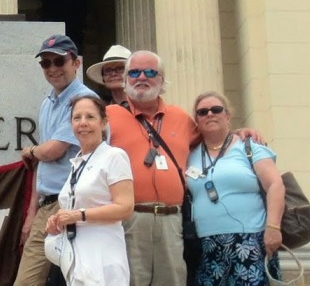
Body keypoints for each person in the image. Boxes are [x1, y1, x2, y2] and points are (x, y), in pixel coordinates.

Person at [106, 50, 197, 286]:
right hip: (129, 219)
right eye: (134, 72)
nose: (141, 77)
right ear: (125, 81)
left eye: (150, 72)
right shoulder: (108, 116)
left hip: (171, 221)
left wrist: (241, 134)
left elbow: (212, 139)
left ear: (162, 79)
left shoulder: (181, 118)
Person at [16, 34, 98, 286]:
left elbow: (53, 151)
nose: (52, 68)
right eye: (45, 63)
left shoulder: (85, 101)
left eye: (59, 61)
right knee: (27, 281)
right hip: (48, 205)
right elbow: (44, 165)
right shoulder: (48, 103)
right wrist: (32, 211)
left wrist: (30, 151)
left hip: (78, 204)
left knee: (80, 280)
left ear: (76, 63)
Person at [186, 92, 284, 286]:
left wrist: (273, 228)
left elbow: (275, 185)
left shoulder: (248, 147)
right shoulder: (189, 154)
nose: (210, 114)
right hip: (205, 245)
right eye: (202, 112)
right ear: (196, 120)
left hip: (250, 240)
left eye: (216, 109)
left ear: (227, 115)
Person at [45, 95, 134, 285]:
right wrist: (58, 221)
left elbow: (125, 208)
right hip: (77, 258)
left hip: (103, 257)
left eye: (90, 117)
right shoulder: (78, 162)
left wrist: (79, 215)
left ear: (104, 123)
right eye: (77, 118)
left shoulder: (114, 156)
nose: (83, 123)